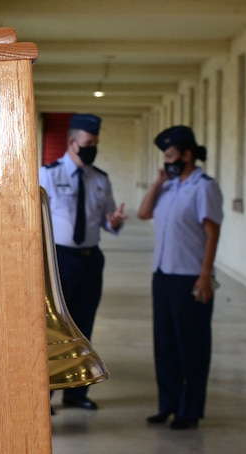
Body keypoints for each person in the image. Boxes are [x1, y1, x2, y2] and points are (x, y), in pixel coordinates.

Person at [137, 125, 223, 430]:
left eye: (172, 155)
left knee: (193, 347)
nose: (167, 161)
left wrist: (205, 275)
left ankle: (189, 411)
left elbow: (212, 234)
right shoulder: (170, 187)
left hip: (189, 277)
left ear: (188, 155)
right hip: (163, 275)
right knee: (166, 344)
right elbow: (143, 213)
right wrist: (158, 183)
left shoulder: (204, 187)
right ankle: (168, 404)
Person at [39, 112, 126, 410]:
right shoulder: (48, 174)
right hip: (59, 260)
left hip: (91, 261)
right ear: (73, 142)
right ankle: (46, 393)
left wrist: (114, 222)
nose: (92, 148)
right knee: (53, 329)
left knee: (83, 326)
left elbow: (109, 220)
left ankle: (77, 392)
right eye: (89, 142)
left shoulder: (100, 179)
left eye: (96, 143)